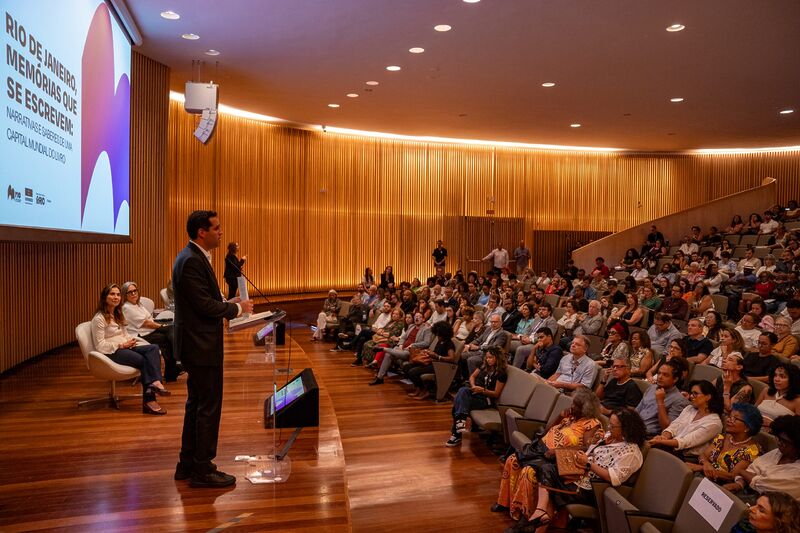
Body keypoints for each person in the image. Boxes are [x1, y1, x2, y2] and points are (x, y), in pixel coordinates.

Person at [173, 210, 254, 488]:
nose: (221, 232)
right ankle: (203, 469)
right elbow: (204, 306)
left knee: (196, 405)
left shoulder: (193, 257)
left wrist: (228, 301)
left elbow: (206, 298)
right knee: (207, 407)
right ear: (201, 232)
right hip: (200, 345)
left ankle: (187, 462)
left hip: (197, 344)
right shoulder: (191, 260)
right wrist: (235, 308)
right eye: (216, 228)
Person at [516, 409, 647, 532]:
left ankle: (543, 514)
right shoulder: (610, 437)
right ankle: (542, 511)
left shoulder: (631, 453)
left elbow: (613, 478)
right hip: (581, 475)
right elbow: (591, 452)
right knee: (546, 468)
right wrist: (595, 442)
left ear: (625, 429)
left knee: (549, 479)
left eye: (612, 426)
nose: (609, 428)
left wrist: (588, 463)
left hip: (592, 489)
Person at [494, 387, 604, 522]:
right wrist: (559, 417)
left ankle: (526, 515)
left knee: (528, 472)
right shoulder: (570, 417)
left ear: (585, 409)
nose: (572, 406)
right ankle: (504, 502)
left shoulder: (592, 424)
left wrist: (557, 451)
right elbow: (546, 431)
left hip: (557, 459)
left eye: (576, 405)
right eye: (573, 403)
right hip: (541, 449)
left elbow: (588, 447)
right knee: (512, 459)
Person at [91, 283, 168, 415]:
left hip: (126, 346)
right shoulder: (99, 318)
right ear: (104, 297)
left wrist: (129, 341)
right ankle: (149, 401)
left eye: (118, 294)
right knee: (143, 360)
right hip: (112, 351)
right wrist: (121, 345)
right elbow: (100, 345)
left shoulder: (118, 314)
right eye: (112, 294)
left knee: (153, 348)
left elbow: (125, 334)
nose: (116, 297)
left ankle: (156, 383)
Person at [688, 403, 763, 486]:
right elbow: (703, 455)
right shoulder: (722, 437)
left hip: (722, 486)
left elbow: (732, 476)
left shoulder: (752, 451)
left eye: (735, 418)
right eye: (729, 416)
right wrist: (706, 464)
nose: (728, 420)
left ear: (748, 427)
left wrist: (701, 468)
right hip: (704, 477)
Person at [446, 346, 508, 446]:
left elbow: (496, 393)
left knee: (458, 403)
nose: (488, 360)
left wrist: (482, 390)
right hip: (476, 393)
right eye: (487, 357)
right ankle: (459, 425)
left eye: (491, 357)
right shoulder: (483, 366)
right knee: (463, 390)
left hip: (486, 399)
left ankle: (456, 434)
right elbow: (472, 376)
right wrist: (474, 386)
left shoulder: (501, 373)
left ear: (497, 358)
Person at [120, 281, 181, 382]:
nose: (133, 293)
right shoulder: (127, 307)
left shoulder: (138, 304)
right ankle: (175, 366)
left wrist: (162, 326)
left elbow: (150, 319)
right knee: (168, 334)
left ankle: (172, 370)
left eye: (135, 291)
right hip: (140, 335)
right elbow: (146, 323)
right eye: (130, 292)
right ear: (124, 295)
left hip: (148, 331)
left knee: (171, 331)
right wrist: (162, 326)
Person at [649, 379, 724, 458]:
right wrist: (663, 436)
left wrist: (662, 441)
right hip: (671, 447)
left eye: (695, 394)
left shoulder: (714, 423)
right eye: (691, 393)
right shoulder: (689, 409)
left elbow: (686, 442)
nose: (691, 396)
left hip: (687, 457)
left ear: (708, 397)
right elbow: (674, 426)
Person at [733, 415, 800, 501]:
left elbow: (764, 486)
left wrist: (741, 471)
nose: (779, 443)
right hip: (749, 494)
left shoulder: (797, 472)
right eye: (778, 438)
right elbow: (751, 470)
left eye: (785, 441)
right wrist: (740, 484)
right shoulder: (778, 452)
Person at [370, 312, 433, 385]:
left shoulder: (426, 329)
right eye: (416, 316)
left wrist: (413, 345)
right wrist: (400, 344)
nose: (417, 318)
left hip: (412, 351)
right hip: (402, 348)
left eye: (419, 317)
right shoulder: (411, 326)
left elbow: (426, 343)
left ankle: (383, 349)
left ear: (423, 319)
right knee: (388, 354)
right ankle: (379, 378)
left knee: (399, 353)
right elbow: (403, 337)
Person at [637, 358, 690, 437]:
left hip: (649, 435)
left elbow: (667, 428)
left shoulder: (680, 400)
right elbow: (637, 411)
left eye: (665, 375)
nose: (660, 377)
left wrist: (660, 402)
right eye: (659, 373)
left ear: (675, 379)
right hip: (634, 429)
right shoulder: (652, 388)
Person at [407, 321, 457, 401]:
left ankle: (425, 390)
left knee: (413, 372)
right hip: (433, 362)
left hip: (439, 366)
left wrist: (437, 357)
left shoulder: (449, 343)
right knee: (407, 367)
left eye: (438, 334)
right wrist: (428, 352)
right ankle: (418, 388)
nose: (437, 336)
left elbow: (452, 358)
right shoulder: (440, 340)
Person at [756, 363, 800, 430]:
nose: (776, 379)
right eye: (775, 375)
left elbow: (796, 429)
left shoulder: (797, 401)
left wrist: (773, 425)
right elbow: (753, 410)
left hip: (774, 436)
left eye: (782, 376)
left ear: (792, 380)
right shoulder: (766, 391)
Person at [731, 491, 800, 533]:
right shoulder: (744, 527)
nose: (751, 508)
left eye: (761, 510)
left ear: (779, 521)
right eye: (756, 504)